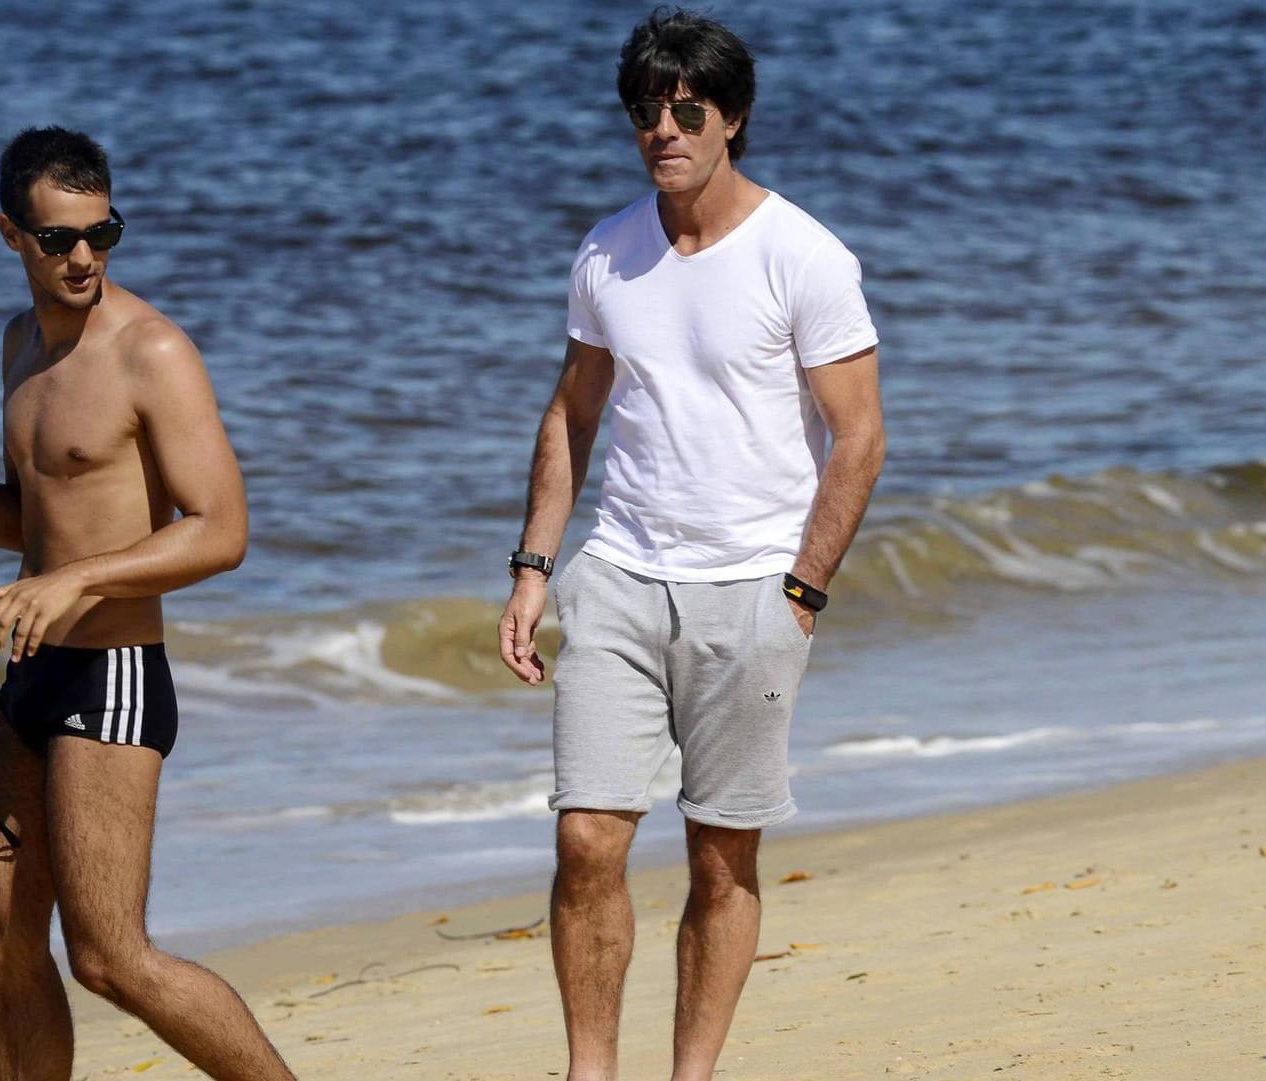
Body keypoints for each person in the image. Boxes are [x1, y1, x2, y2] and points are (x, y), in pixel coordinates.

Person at [0, 127, 294, 1081]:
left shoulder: (153, 352)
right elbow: (34, 516)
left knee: (108, 957)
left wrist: (80, 580)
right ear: (12, 235)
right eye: (59, 239)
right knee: (0, 929)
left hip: (116, 673)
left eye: (103, 233)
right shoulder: (20, 344)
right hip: (31, 676)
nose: (84, 256)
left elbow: (222, 529)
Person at [496, 10, 886, 1081]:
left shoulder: (804, 255)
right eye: (645, 110)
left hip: (753, 587)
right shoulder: (606, 253)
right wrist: (533, 566)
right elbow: (572, 415)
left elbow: (860, 437)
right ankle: (591, 1071)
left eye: (687, 109)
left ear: (733, 118)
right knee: (587, 840)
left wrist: (800, 591)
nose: (664, 129)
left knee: (721, 856)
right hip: (619, 575)